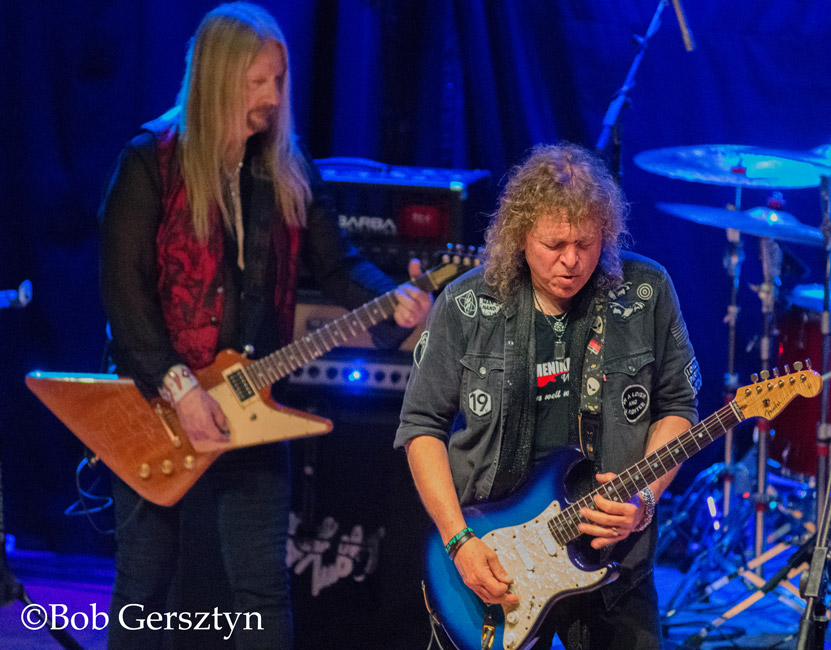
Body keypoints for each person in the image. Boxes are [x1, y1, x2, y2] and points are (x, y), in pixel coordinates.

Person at [99, 3, 432, 648]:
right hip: (157, 409)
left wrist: (395, 301)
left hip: (252, 405)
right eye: (257, 82)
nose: (273, 97)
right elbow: (124, 296)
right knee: (145, 586)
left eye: (279, 80)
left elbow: (339, 266)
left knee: (261, 591)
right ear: (219, 79)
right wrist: (181, 389)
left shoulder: (284, 166)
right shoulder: (149, 163)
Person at [395, 143, 701, 648]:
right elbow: (421, 427)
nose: (572, 261)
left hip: (615, 567)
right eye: (554, 244)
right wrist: (458, 540)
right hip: (494, 560)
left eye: (586, 243)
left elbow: (678, 406)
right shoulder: (468, 303)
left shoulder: (647, 292)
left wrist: (645, 498)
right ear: (519, 237)